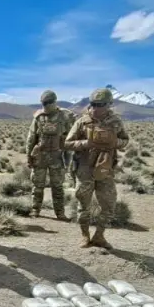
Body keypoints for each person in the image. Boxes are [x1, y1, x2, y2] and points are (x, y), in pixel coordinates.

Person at [65, 87, 130, 249]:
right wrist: (86, 143)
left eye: (100, 104)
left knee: (109, 204)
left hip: (105, 169)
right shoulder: (82, 121)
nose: (95, 108)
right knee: (83, 205)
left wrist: (115, 143)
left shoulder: (115, 122)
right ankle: (84, 236)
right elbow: (66, 143)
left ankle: (99, 236)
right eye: (93, 104)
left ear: (109, 104)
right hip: (85, 169)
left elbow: (125, 140)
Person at [25, 90, 74, 220]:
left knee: (57, 187)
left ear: (54, 102)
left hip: (57, 157)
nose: (46, 105)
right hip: (40, 156)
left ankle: (60, 213)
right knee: (37, 186)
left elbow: (70, 137)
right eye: (43, 103)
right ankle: (35, 210)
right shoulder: (38, 117)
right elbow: (31, 138)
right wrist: (29, 157)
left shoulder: (64, 117)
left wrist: (69, 160)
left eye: (48, 103)